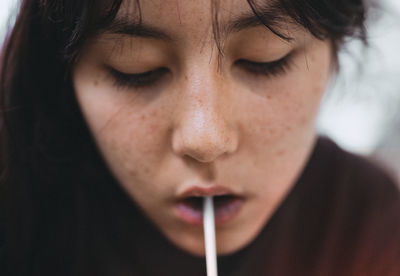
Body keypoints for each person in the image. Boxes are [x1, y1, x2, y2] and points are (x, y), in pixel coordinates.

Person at [0, 0, 399, 275]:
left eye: (265, 59)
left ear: (336, 50)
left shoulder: (371, 227)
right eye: (135, 68)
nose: (205, 139)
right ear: (62, 73)